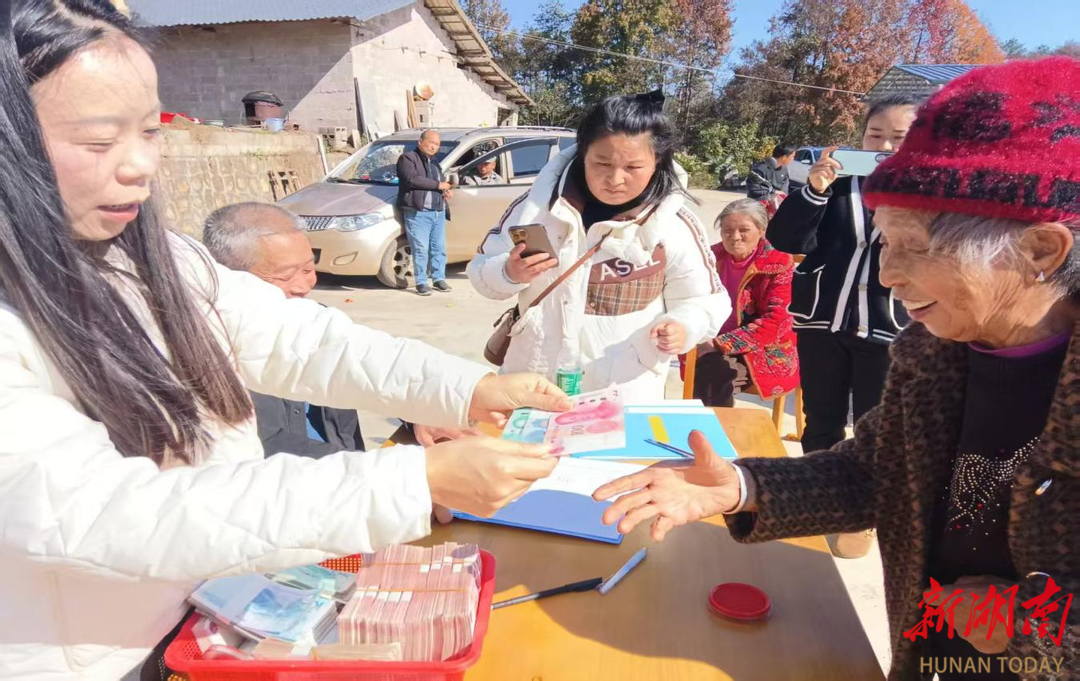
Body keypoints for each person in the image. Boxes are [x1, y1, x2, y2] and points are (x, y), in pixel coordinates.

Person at [0, 2, 572, 679]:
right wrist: (408, 481)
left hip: (211, 621)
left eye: (151, 131)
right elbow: (108, 514)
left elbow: (304, 340)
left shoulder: (158, 258)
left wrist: (465, 387)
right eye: (99, 142)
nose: (139, 167)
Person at [595, 57, 1079, 681]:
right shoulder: (934, 354)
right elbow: (875, 471)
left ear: (1040, 250)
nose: (889, 274)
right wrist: (741, 488)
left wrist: (1031, 625)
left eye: (917, 248)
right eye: (886, 242)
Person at [467, 91, 729, 402]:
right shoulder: (534, 209)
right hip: (535, 382)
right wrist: (509, 272)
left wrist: (684, 326)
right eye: (602, 163)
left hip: (622, 392)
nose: (615, 179)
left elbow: (706, 301)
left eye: (632, 167)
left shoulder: (674, 225)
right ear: (582, 154)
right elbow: (482, 273)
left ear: (657, 161)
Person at [203, 202, 479, 454]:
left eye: (309, 269)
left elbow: (367, 367)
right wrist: (399, 477)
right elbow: (270, 445)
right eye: (286, 275)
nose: (304, 285)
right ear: (231, 281)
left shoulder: (316, 320)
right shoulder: (206, 352)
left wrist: (415, 409)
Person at [767, 93, 922, 456]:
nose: (884, 145)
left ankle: (870, 505)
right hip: (822, 321)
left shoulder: (930, 194)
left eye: (899, 138)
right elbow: (785, 239)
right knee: (820, 421)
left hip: (890, 327)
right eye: (874, 134)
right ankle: (817, 500)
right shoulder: (835, 185)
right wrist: (813, 190)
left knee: (879, 425)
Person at [683, 199, 798, 407]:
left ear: (762, 230)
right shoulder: (708, 257)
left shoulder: (778, 263)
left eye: (744, 230)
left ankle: (709, 431)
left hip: (760, 349)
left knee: (713, 371)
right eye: (727, 230)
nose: (735, 237)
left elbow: (777, 321)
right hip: (705, 342)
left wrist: (719, 344)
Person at [396, 129, 452, 296]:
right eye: (431, 142)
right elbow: (412, 179)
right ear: (420, 142)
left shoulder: (435, 163)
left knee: (439, 248)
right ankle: (421, 281)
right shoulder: (407, 158)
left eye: (437, 144)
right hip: (418, 212)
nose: (434, 147)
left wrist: (445, 191)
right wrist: (438, 185)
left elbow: (440, 183)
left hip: (437, 211)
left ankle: (438, 278)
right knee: (420, 248)